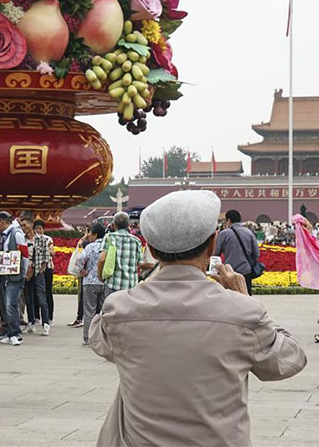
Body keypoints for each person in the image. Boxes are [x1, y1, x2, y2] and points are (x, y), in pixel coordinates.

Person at [89, 190, 307, 445]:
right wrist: (245, 300)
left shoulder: (119, 309)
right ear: (213, 244)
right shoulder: (242, 312)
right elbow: (289, 359)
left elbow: (99, 340)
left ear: (151, 250)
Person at [0, 211, 29, 346]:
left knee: (11, 304)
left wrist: (23, 272)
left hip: (15, 276)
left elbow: (24, 254)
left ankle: (15, 333)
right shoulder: (4, 236)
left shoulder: (16, 234)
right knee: (7, 305)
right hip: (5, 276)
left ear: (3, 222)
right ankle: (10, 332)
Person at [214, 209, 260, 295]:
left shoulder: (224, 234)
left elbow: (216, 253)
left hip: (230, 271)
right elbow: (256, 254)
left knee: (231, 297)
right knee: (247, 297)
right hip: (246, 271)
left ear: (228, 220)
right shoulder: (249, 232)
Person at [97, 212, 142, 299]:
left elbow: (102, 259)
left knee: (111, 310)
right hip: (131, 285)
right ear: (128, 225)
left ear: (113, 225)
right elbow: (140, 262)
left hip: (112, 284)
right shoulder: (136, 240)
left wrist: (100, 276)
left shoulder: (109, 237)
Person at [76, 223, 106, 345]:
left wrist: (81, 271)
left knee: (89, 311)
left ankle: (88, 338)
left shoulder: (90, 247)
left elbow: (79, 259)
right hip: (104, 281)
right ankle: (102, 337)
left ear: (95, 234)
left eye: (90, 233)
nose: (89, 236)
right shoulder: (107, 245)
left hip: (89, 282)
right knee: (102, 311)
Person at [33, 220, 55, 326]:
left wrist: (43, 248)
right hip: (36, 268)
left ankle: (49, 318)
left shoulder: (48, 239)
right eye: (36, 228)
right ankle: (36, 317)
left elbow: (53, 253)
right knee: (36, 293)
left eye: (40, 228)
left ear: (43, 229)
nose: (38, 230)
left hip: (48, 268)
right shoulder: (32, 239)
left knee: (47, 292)